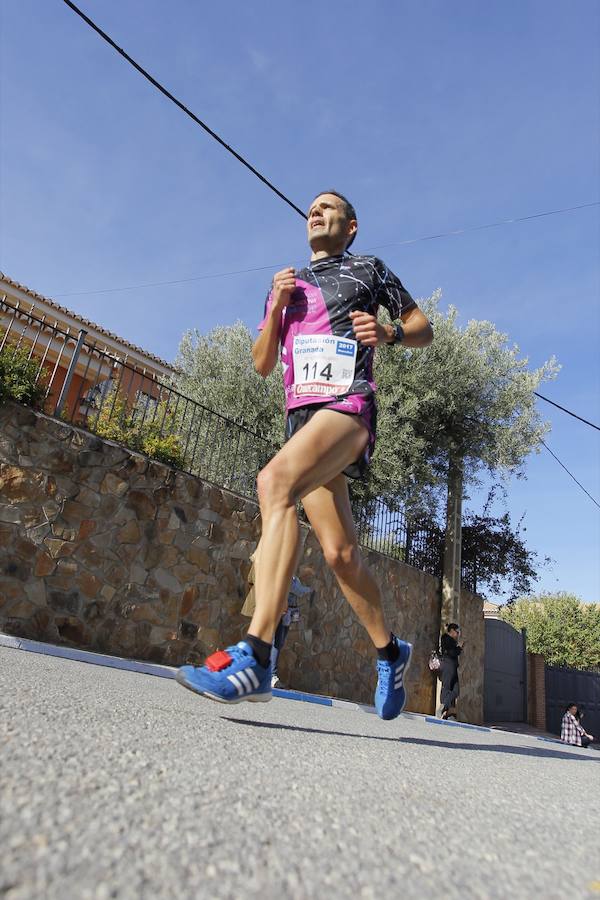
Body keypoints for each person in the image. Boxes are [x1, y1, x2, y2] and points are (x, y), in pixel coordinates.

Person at [176, 190, 433, 718]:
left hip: (348, 406)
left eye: (328, 207)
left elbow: (423, 329)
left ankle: (256, 654)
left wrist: (388, 332)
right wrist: (274, 307)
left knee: (274, 483)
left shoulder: (368, 270)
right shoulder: (286, 285)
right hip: (302, 422)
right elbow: (262, 363)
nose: (315, 212)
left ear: (351, 226)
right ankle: (390, 650)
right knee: (340, 555)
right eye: (311, 208)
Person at [241, 545, 312, 688]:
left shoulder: (268, 563)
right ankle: (266, 674)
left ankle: (261, 673)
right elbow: (290, 587)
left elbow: (251, 582)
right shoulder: (274, 564)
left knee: (273, 641)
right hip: (273, 607)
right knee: (273, 641)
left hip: (272, 607)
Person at [439, 623, 463, 719]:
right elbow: (452, 653)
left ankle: (446, 707)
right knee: (447, 687)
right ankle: (444, 708)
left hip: (452, 666)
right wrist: (459, 648)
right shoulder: (446, 639)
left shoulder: (450, 640)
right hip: (448, 665)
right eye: (457, 632)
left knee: (456, 690)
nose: (458, 634)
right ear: (452, 631)